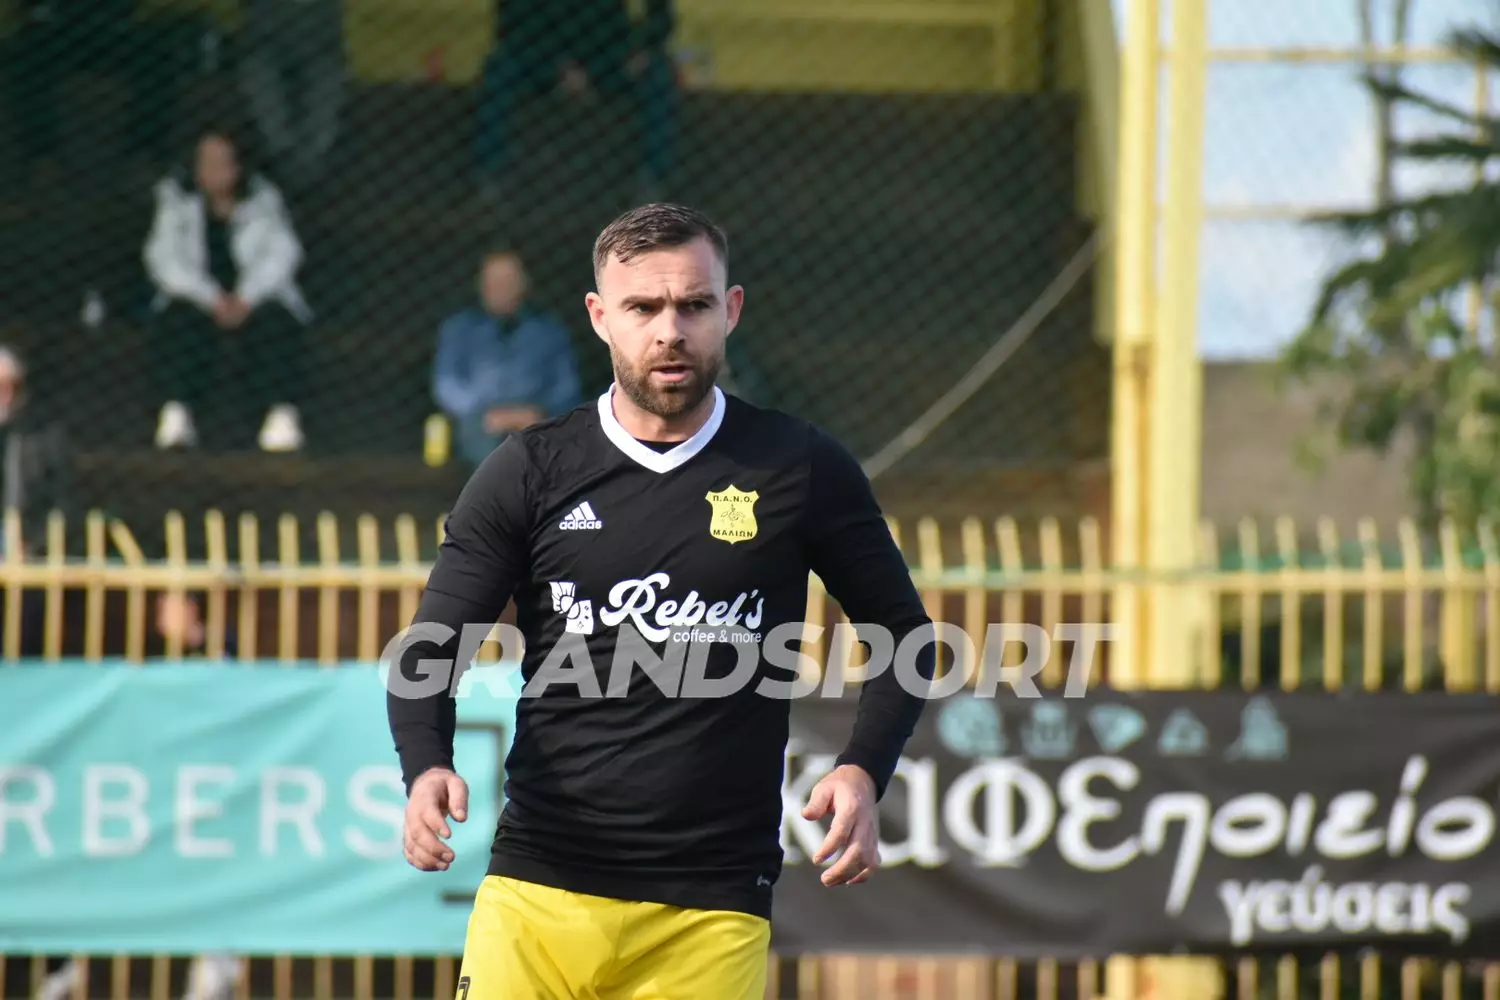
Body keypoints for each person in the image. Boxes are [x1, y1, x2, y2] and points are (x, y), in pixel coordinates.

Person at [386, 203, 935, 999]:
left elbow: (905, 637)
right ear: (600, 317)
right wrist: (426, 764)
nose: (669, 331)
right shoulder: (530, 470)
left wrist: (862, 769)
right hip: (539, 892)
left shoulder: (800, 467)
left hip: (712, 908)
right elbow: (431, 649)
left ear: (731, 309)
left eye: (693, 305)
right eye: (643, 308)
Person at [143, 126, 312, 452]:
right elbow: (163, 258)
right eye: (206, 162)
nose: (214, 171)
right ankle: (177, 414)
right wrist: (212, 298)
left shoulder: (264, 199)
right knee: (178, 321)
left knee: (276, 323)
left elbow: (284, 252)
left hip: (253, 301)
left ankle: (280, 415)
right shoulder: (175, 199)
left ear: (239, 166)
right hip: (199, 300)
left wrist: (245, 298)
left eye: (223, 162)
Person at [432, 250, 583, 468]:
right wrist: (484, 412)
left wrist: (537, 412)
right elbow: (446, 384)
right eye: (493, 281)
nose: (500, 287)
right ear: (480, 284)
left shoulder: (550, 332)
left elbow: (566, 386)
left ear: (525, 284)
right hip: (479, 422)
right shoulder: (458, 330)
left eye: (508, 280)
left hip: (536, 419)